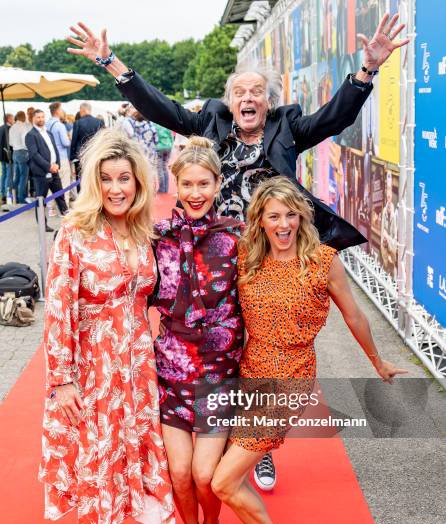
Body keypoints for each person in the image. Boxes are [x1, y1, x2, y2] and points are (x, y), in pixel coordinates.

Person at [66, 13, 409, 490]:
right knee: (221, 346)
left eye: (257, 93)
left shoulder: (287, 126)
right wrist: (112, 62)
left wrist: (366, 71)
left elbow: (336, 116)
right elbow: (163, 109)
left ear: (268, 102)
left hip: (267, 259)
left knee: (263, 353)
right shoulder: (210, 120)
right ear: (230, 101)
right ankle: (220, 430)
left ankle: (257, 447)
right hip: (213, 255)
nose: (248, 99)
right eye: (240, 93)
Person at [209, 176, 406, 524]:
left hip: (289, 380)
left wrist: (378, 362)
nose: (284, 224)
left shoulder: (321, 259)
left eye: (291, 215)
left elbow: (354, 316)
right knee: (234, 476)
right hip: (249, 372)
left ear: (302, 218)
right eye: (274, 216)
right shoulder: (246, 256)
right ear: (260, 221)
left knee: (223, 481)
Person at [38, 128, 175, 524]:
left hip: (136, 365)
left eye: (125, 178)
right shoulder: (75, 233)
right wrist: (62, 380)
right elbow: (58, 311)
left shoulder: (141, 229)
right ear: (94, 183)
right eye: (107, 179)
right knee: (96, 454)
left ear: (139, 182)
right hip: (92, 366)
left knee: (119, 453)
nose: (117, 188)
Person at [152, 137, 243, 524]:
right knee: (181, 473)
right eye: (186, 183)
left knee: (207, 474)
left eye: (203, 183)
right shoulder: (157, 238)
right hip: (171, 370)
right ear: (176, 184)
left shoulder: (238, 237)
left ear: (217, 183)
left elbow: (260, 300)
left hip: (219, 373)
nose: (194, 192)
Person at [25, 109, 69, 231]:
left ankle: (69, 223)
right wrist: (49, 166)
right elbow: (34, 155)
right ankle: (42, 226)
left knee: (61, 197)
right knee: (41, 200)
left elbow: (55, 150)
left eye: (42, 117)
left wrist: (57, 165)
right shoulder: (31, 135)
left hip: (55, 171)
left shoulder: (49, 132)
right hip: (41, 173)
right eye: (38, 117)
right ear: (33, 119)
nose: (41, 119)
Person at [70, 102, 105, 190]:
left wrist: (71, 156)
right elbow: (103, 139)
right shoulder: (99, 122)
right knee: (94, 178)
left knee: (81, 180)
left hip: (81, 156)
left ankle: (82, 199)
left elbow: (74, 140)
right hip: (95, 154)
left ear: (82, 110)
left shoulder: (77, 123)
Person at [46, 102, 72, 207]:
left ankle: (50, 207)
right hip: (62, 157)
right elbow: (65, 143)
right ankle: (64, 206)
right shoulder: (60, 126)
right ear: (57, 111)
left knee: (52, 182)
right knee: (65, 182)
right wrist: (69, 138)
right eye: (61, 110)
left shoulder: (46, 124)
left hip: (50, 158)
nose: (62, 112)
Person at [9, 111, 30, 205]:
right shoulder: (23, 127)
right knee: (23, 177)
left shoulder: (12, 127)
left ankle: (15, 198)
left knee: (16, 177)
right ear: (23, 117)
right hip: (23, 152)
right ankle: (22, 199)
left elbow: (10, 143)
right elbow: (25, 141)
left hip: (15, 152)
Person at [153, 122, 173, 193]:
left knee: (159, 168)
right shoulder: (167, 125)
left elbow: (154, 137)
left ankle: (162, 188)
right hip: (168, 147)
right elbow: (171, 137)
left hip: (159, 148)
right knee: (165, 167)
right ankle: (166, 189)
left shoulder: (155, 125)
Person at [0, 113, 14, 210]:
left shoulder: (0, 127)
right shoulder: (9, 129)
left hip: (1, 155)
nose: (13, 120)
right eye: (12, 118)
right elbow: (9, 143)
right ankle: (6, 194)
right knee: (8, 175)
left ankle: (2, 192)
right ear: (8, 119)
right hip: (7, 154)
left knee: (4, 174)